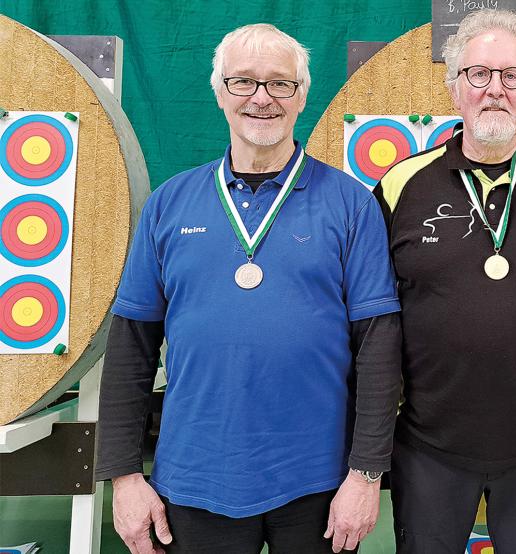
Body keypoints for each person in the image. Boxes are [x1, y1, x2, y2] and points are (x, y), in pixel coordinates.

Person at [95, 23, 401, 554]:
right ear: (219, 92)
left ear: (302, 95)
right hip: (193, 481)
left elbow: (379, 346)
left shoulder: (352, 205)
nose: (263, 99)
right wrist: (123, 478)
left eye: (281, 84)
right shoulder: (170, 204)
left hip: (320, 483)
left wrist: (366, 474)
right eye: (243, 82)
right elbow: (131, 346)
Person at [372, 9, 516, 553]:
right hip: (428, 448)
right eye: (478, 74)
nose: (494, 89)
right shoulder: (399, 185)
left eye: (512, 76)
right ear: (455, 88)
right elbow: (371, 322)